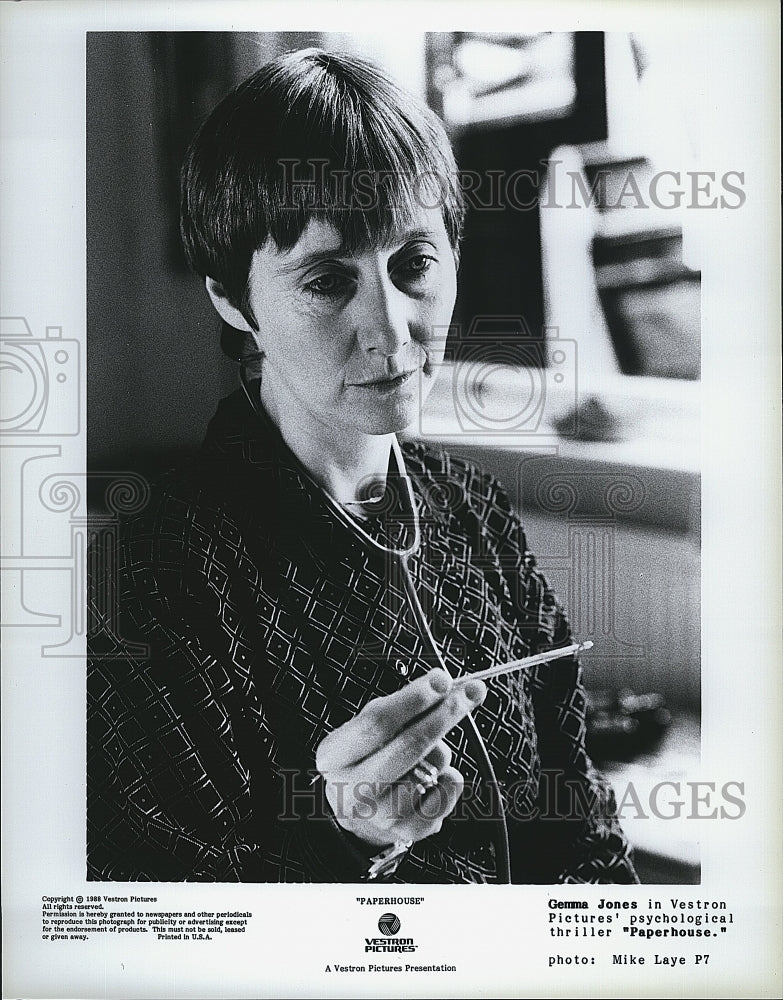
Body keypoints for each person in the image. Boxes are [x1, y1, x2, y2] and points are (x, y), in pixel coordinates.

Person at [87, 47, 637, 884]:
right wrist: (344, 843)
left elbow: (582, 833)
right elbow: (166, 927)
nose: (392, 331)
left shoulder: (473, 512)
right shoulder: (157, 570)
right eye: (324, 280)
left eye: (413, 264)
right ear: (232, 300)